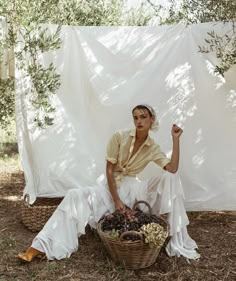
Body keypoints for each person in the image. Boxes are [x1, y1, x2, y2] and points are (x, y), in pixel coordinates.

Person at [18, 104, 200, 262]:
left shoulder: (152, 147)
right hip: (111, 187)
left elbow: (173, 168)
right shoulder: (119, 137)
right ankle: (40, 246)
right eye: (136, 117)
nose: (139, 121)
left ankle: (176, 237)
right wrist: (117, 201)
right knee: (75, 195)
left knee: (170, 177)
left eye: (143, 117)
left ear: (152, 120)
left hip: (134, 189)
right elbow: (109, 170)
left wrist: (176, 140)